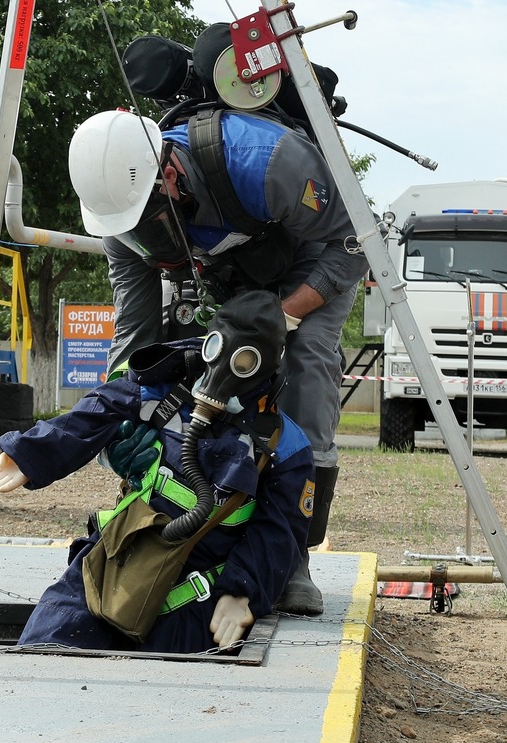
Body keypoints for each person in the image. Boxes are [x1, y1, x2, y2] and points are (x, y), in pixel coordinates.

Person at [66, 107, 369, 615]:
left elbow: (355, 243)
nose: (140, 235)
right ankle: (192, 531)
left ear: (170, 173)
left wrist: (284, 318)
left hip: (315, 252)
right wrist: (116, 424)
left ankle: (291, 555)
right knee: (193, 365)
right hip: (228, 268)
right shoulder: (118, 225)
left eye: (146, 221)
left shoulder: (269, 164)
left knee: (304, 361)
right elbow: (135, 338)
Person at [0, 291, 315, 653]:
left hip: (199, 588)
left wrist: (242, 590)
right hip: (119, 556)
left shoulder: (285, 445)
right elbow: (98, 410)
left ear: (268, 363)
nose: (224, 367)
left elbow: (280, 534)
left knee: (167, 685)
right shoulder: (164, 390)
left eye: (244, 360)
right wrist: (29, 454)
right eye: (218, 348)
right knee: (46, 646)